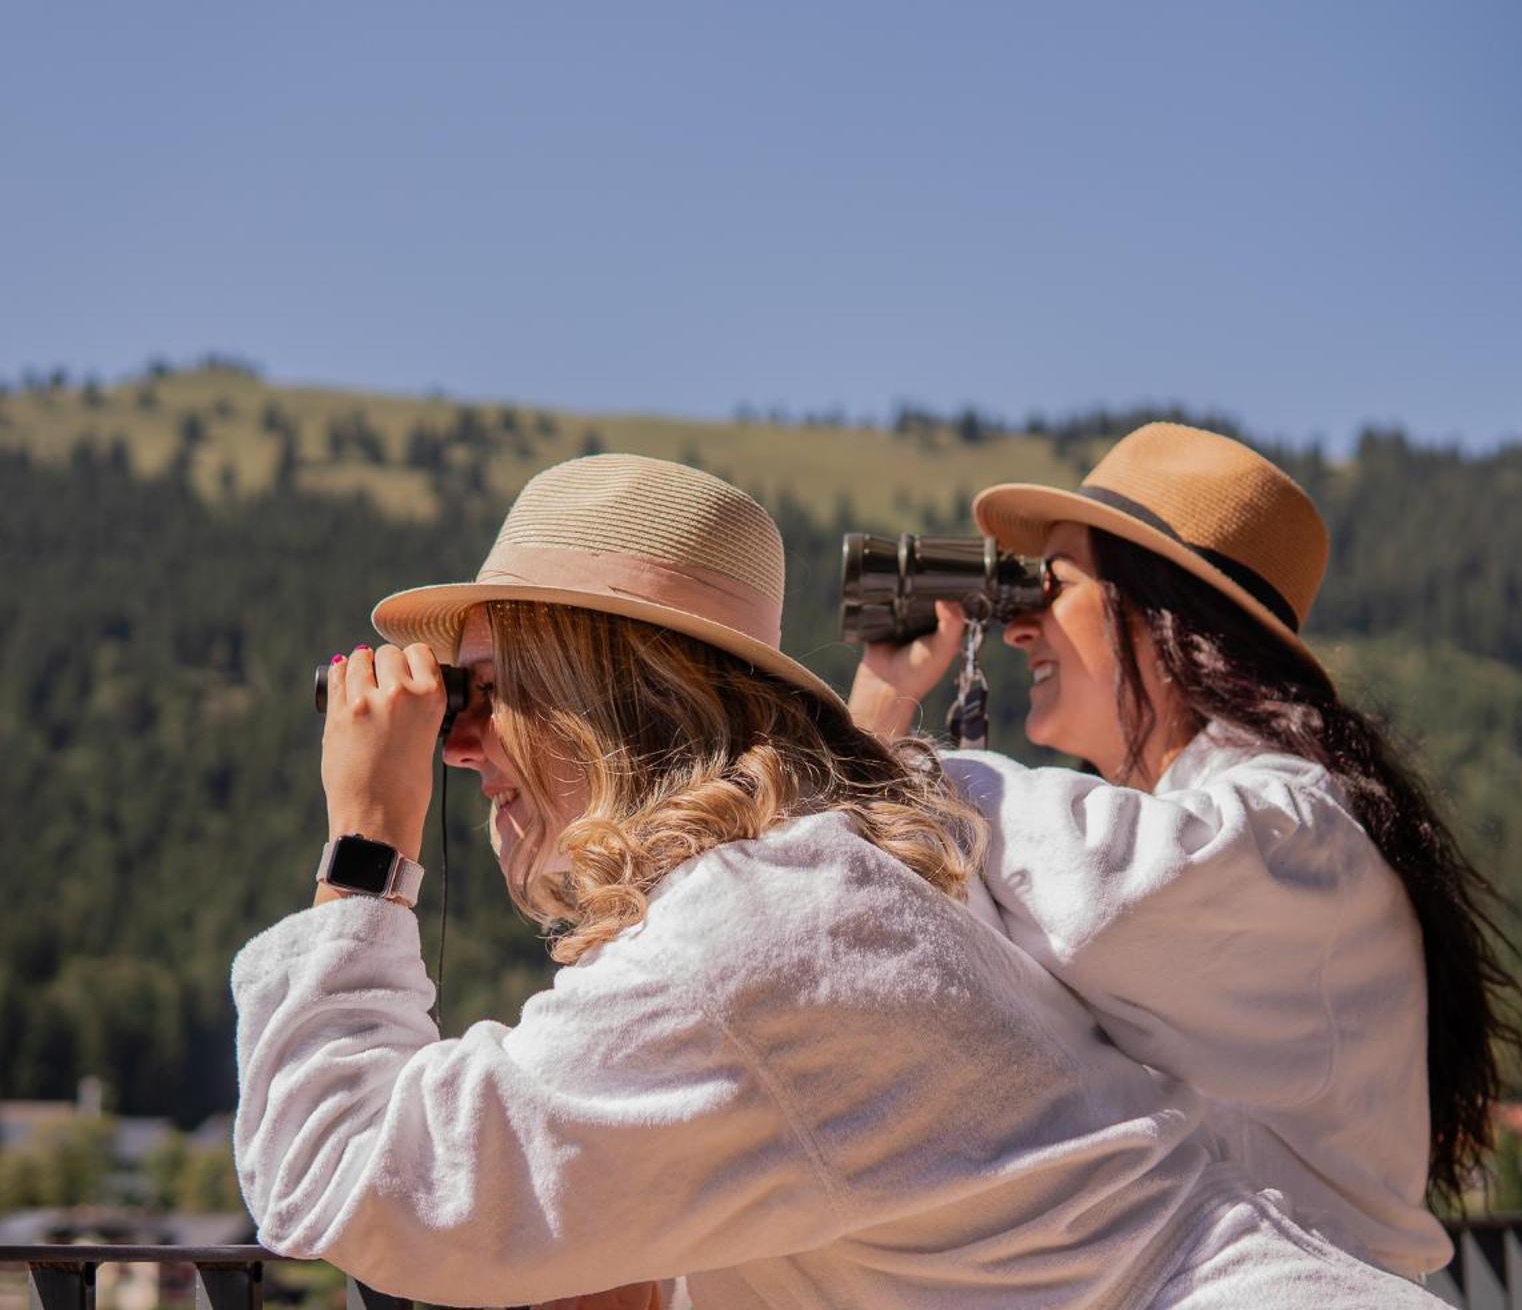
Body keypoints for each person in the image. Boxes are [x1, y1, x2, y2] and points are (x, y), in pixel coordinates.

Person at [232, 454, 1441, 1307]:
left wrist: (368, 844)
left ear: (604, 704)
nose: (456, 745)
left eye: (482, 696)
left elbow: (341, 1177)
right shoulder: (815, 895)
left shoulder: (760, 931)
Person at [850, 423, 1522, 1280]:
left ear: (1158, 613)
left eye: (1049, 588)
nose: (1019, 630)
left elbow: (1104, 892)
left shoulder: (1296, 831)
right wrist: (880, 713)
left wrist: (892, 765)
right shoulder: (1220, 833)